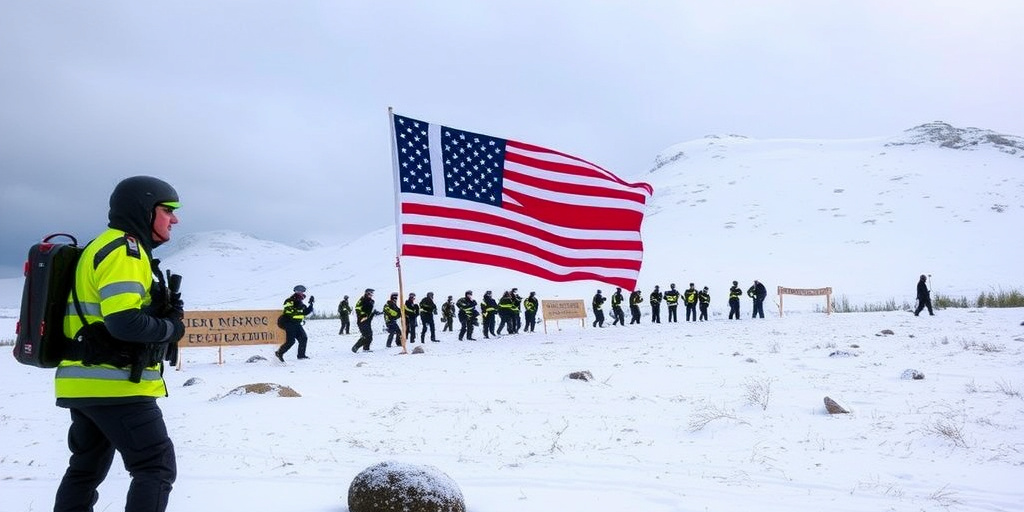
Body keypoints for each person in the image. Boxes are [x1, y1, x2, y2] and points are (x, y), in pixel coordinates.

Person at [53, 176, 185, 512]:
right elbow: (124, 321)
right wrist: (172, 328)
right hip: (116, 387)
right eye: (168, 209)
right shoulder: (124, 251)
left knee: (85, 470)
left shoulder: (103, 246)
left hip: (84, 384)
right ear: (144, 208)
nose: (175, 219)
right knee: (155, 467)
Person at [275, 285, 314, 361]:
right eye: (298, 291)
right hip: (288, 322)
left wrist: (311, 304)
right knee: (291, 341)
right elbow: (288, 311)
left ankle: (301, 355)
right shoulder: (289, 301)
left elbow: (306, 312)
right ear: (295, 292)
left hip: (296, 324)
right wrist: (300, 311)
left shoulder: (302, 304)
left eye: (302, 291)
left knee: (303, 338)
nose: (300, 292)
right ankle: (279, 353)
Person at [351, 288, 377, 352]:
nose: (371, 295)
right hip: (362, 320)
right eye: (370, 293)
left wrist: (376, 312)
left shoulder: (372, 301)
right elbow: (357, 308)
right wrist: (363, 314)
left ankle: (366, 349)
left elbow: (371, 311)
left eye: (372, 293)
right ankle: (355, 347)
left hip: (368, 321)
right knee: (366, 335)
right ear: (367, 293)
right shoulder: (362, 299)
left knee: (370, 335)